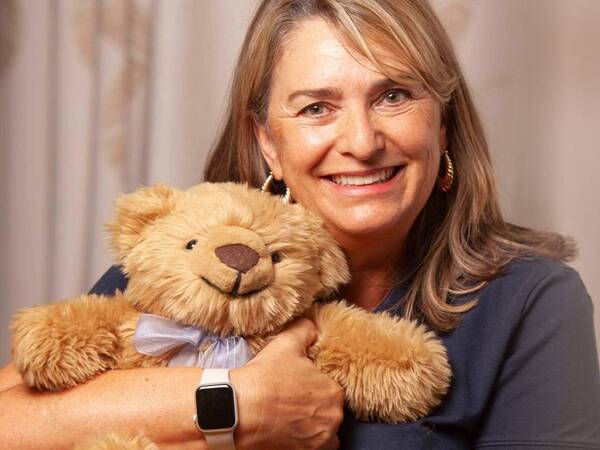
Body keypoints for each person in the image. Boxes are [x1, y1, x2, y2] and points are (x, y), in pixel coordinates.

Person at [1, 0, 599, 448]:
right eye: (317, 107)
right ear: (267, 142)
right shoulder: (187, 260)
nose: (362, 142)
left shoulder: (529, 302)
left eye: (394, 96)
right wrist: (240, 402)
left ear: (443, 125)